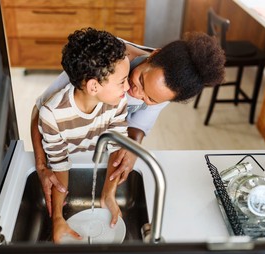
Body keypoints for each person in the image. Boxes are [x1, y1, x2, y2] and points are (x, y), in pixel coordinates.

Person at [31, 31, 226, 220]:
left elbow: (135, 129)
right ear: (153, 55)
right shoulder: (104, 59)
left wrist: (132, 150)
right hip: (65, 140)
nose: (134, 93)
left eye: (150, 98)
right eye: (140, 80)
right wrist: (41, 166)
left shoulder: (167, 88)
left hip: (97, 140)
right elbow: (42, 111)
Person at [37, 27, 130, 243]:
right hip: (72, 161)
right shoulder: (52, 114)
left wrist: (108, 194)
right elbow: (59, 165)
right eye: (122, 81)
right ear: (93, 86)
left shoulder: (117, 102)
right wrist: (58, 218)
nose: (128, 86)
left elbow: (117, 148)